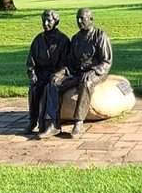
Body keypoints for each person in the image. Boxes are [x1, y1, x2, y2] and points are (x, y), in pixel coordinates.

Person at [43, 7, 112, 139]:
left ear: (91, 19)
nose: (79, 21)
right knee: (53, 83)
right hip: (77, 72)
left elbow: (106, 62)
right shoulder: (75, 39)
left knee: (86, 83)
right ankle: (53, 124)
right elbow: (69, 62)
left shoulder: (100, 36)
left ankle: (78, 122)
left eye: (82, 18)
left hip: (95, 73)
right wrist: (61, 72)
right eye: (77, 19)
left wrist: (93, 71)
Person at [25, 9, 70, 136]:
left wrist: (60, 73)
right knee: (34, 89)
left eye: (49, 20)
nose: (45, 23)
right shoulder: (38, 40)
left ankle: (52, 123)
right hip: (41, 74)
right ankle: (33, 121)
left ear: (56, 22)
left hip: (57, 73)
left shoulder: (63, 40)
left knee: (51, 87)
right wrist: (32, 75)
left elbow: (67, 63)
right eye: (43, 20)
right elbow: (30, 63)